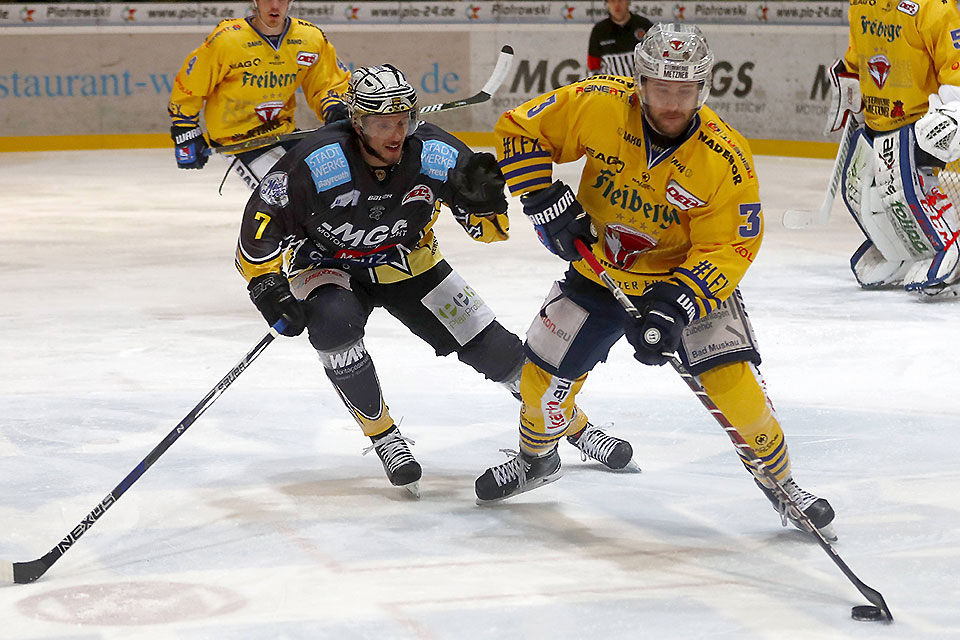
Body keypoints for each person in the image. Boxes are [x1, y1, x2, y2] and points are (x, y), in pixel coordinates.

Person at [476, 23, 836, 540]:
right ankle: (537, 460)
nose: (672, 103)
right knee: (537, 386)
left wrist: (676, 307)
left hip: (681, 284)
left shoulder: (724, 159)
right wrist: (542, 200)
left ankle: (782, 485)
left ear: (702, 89)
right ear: (640, 82)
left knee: (740, 398)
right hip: (600, 272)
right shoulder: (599, 103)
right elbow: (518, 129)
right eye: (661, 89)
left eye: (684, 91)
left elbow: (731, 246)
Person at [235, 64, 635, 496]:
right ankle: (384, 435)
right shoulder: (321, 159)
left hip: (410, 264)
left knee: (500, 354)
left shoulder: (435, 152)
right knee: (333, 325)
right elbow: (261, 224)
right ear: (356, 122)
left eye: (402, 120)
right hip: (327, 264)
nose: (395, 133)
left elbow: (489, 232)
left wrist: (486, 204)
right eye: (382, 123)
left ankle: (574, 427)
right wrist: (266, 286)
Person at [826, 0, 960, 299]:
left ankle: (949, 242)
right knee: (858, 187)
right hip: (877, 118)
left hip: (919, 122)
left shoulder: (933, 6)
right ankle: (898, 248)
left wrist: (954, 111)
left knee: (902, 185)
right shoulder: (861, 4)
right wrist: (849, 88)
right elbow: (857, 56)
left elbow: (955, 64)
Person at [167, 0, 351, 190]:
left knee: (336, 183)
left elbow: (329, 83)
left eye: (281, 0)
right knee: (285, 197)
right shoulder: (227, 39)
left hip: (283, 133)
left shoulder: (310, 38)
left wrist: (334, 108)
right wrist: (185, 128)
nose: (274, 6)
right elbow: (192, 83)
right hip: (238, 141)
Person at [586, 0, 653, 77]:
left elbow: (657, 58)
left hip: (641, 86)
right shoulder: (599, 30)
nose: (617, 5)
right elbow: (593, 66)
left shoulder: (644, 25)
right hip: (612, 87)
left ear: (628, 1)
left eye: (621, 0)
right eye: (612, 1)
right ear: (607, 3)